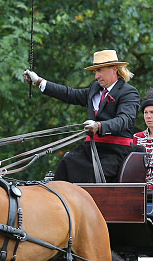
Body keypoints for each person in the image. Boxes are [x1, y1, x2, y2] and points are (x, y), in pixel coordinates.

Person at [23, 49, 140, 183]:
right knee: (67, 162)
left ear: (114, 69)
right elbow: (70, 94)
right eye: (95, 72)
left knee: (86, 173)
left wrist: (99, 126)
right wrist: (39, 81)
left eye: (100, 70)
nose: (96, 76)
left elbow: (125, 120)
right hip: (92, 148)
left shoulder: (129, 92)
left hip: (116, 151)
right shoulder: (94, 88)